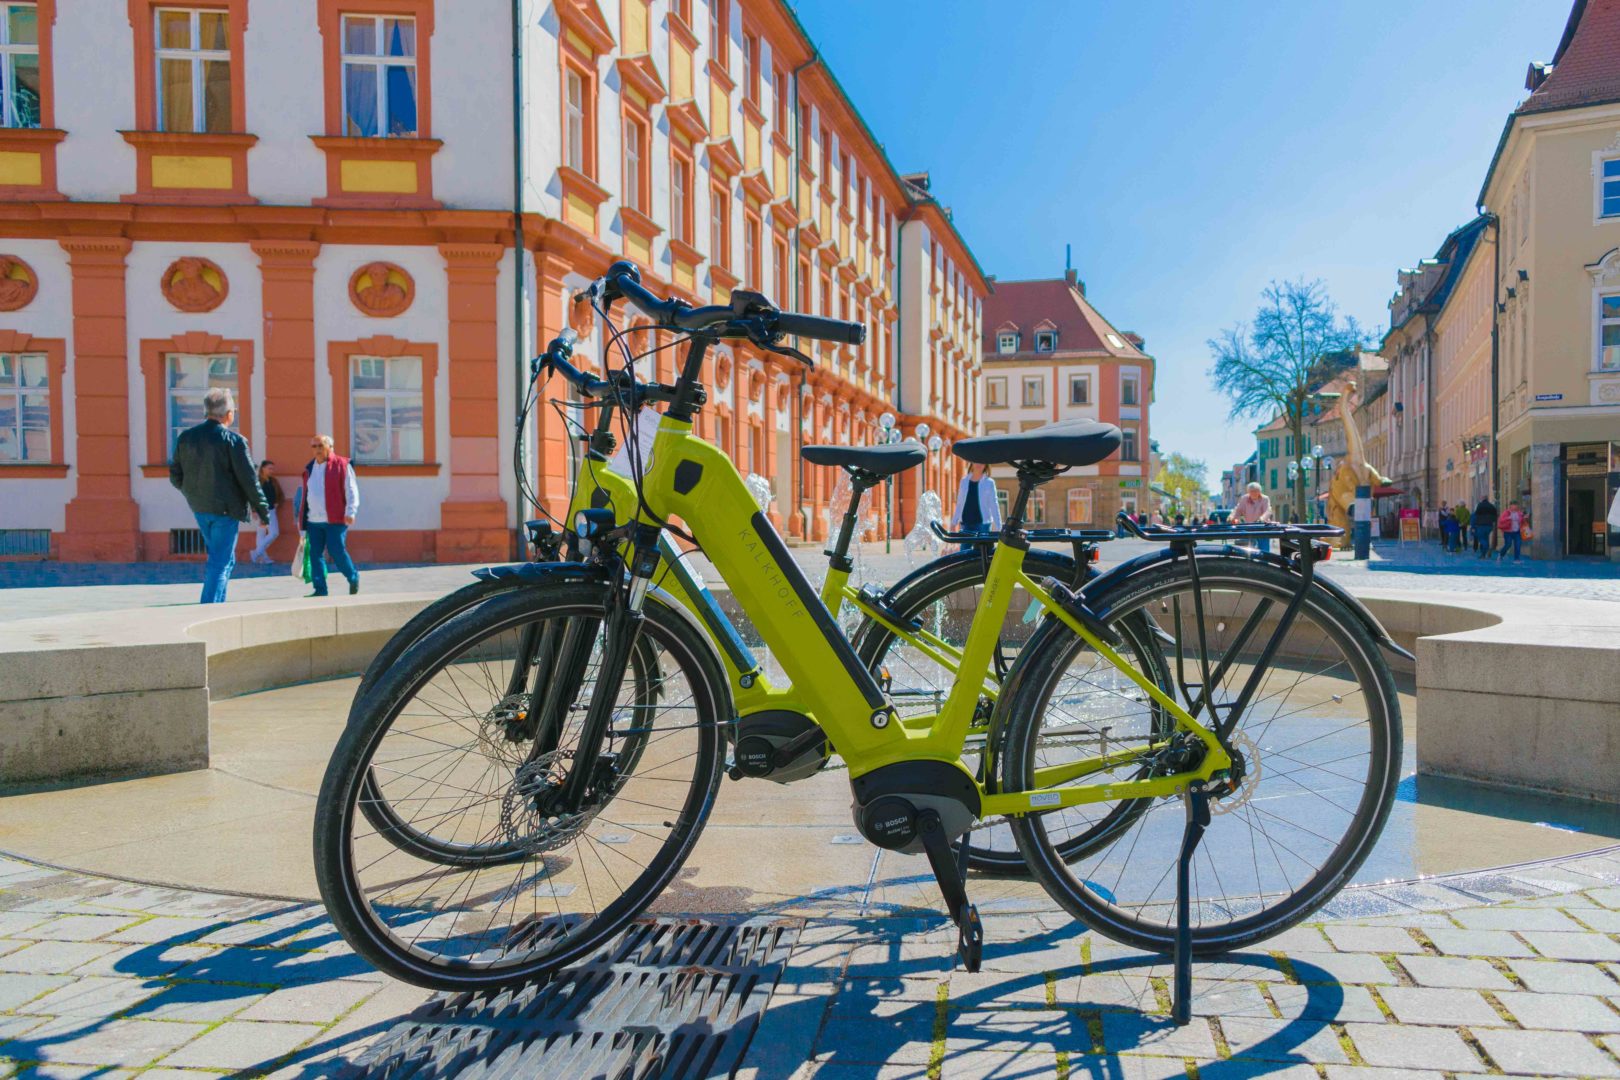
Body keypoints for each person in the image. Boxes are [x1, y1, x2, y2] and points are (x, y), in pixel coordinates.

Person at [169, 388, 270, 604]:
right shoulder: (233, 440)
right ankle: (210, 607)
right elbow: (249, 480)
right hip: (225, 510)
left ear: (206, 412)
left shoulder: (186, 437)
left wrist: (192, 493)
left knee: (224, 559)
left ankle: (218, 604)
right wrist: (263, 512)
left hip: (200, 508)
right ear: (229, 414)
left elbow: (175, 475)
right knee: (220, 562)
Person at [300, 434, 361, 596]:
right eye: (314, 446)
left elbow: (351, 489)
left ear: (329, 447)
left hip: (335, 519)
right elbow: (306, 496)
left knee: (336, 551)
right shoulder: (309, 468)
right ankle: (320, 589)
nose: (317, 450)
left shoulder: (342, 464)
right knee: (315, 554)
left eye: (320, 446)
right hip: (313, 520)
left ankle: (352, 576)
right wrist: (302, 522)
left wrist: (351, 511)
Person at [951, 463, 1001, 551]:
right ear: (972, 463)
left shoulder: (989, 482)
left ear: (986, 465)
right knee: (964, 553)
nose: (979, 464)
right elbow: (959, 503)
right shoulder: (964, 481)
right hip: (966, 524)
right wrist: (954, 522)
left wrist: (998, 526)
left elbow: (994, 504)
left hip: (983, 525)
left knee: (982, 553)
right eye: (976, 461)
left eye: (982, 462)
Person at [249, 459, 284, 565]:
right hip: (261, 511)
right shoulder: (257, 481)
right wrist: (254, 510)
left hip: (271, 509)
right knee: (272, 533)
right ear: (263, 469)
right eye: (269, 468)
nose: (271, 471)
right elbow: (253, 496)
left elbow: (280, 494)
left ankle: (259, 555)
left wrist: (278, 502)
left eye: (272, 469)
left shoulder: (273, 481)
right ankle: (258, 554)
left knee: (265, 534)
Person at [1231, 481, 1273, 553]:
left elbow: (1268, 511)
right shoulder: (1244, 499)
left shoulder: (1265, 499)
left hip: (1263, 528)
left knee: (1264, 550)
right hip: (1250, 527)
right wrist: (1233, 517)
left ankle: (1264, 562)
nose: (1254, 493)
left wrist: (1261, 519)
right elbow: (1238, 510)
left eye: (1256, 491)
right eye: (1251, 491)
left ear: (1260, 491)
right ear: (1248, 492)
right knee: (1250, 549)